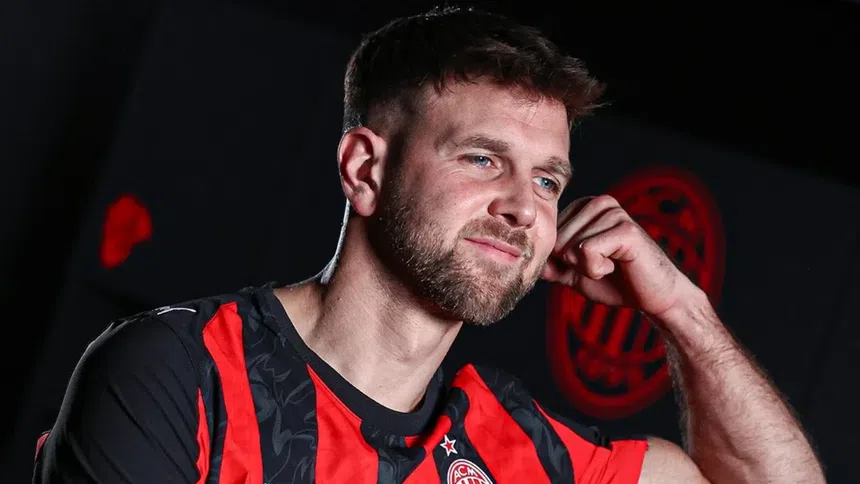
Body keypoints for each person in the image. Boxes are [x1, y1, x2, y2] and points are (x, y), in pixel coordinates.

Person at [33, 6, 824, 484]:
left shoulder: (522, 450)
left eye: (548, 180)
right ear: (365, 170)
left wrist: (683, 312)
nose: (523, 207)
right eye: (482, 159)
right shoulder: (185, 372)